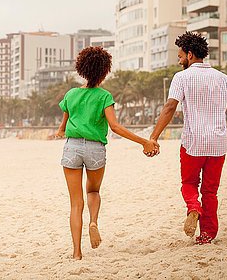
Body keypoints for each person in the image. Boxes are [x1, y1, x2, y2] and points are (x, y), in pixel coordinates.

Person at [56, 46, 160, 260]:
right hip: (94, 148)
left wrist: (60, 132)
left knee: (75, 204)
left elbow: (63, 126)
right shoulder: (104, 96)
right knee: (93, 191)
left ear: (82, 69)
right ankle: (93, 222)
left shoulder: (71, 94)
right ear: (104, 71)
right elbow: (115, 127)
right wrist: (144, 142)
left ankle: (76, 253)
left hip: (72, 147)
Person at [149, 32, 227, 245]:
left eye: (180, 56)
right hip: (218, 144)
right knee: (210, 191)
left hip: (193, 143)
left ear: (190, 55)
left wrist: (154, 137)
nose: (179, 60)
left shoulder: (181, 77)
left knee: (189, 183)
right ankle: (207, 235)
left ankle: (193, 208)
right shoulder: (223, 78)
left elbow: (169, 107)